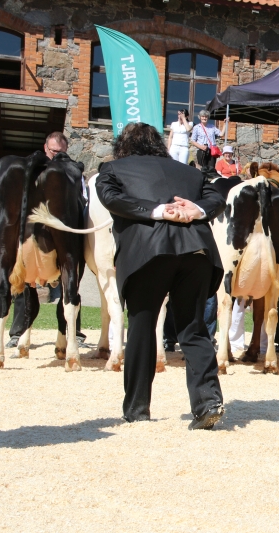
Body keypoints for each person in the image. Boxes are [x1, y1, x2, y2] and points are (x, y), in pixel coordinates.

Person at [96, 122, 226, 430]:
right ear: (158, 144)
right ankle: (208, 402)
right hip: (196, 252)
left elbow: (110, 198)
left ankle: (137, 408)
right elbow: (217, 196)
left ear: (123, 146)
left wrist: (156, 211)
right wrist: (197, 210)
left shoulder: (112, 169)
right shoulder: (190, 173)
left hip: (147, 255)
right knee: (193, 329)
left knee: (142, 328)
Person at [8, 131, 87, 350]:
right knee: (25, 280)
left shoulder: (71, 172)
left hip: (64, 230)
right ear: (45, 148)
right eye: (53, 151)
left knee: (71, 280)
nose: (56, 155)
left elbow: (82, 200)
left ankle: (72, 332)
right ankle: (18, 332)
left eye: (61, 152)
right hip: (34, 230)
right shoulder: (33, 170)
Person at [190, 110, 223, 178]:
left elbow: (221, 134)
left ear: (208, 117)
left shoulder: (212, 127)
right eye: (203, 116)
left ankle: (210, 181)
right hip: (202, 151)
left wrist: (225, 124)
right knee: (202, 168)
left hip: (211, 151)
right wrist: (201, 147)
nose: (204, 118)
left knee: (211, 169)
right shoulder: (196, 127)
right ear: (200, 117)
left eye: (206, 116)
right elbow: (193, 140)